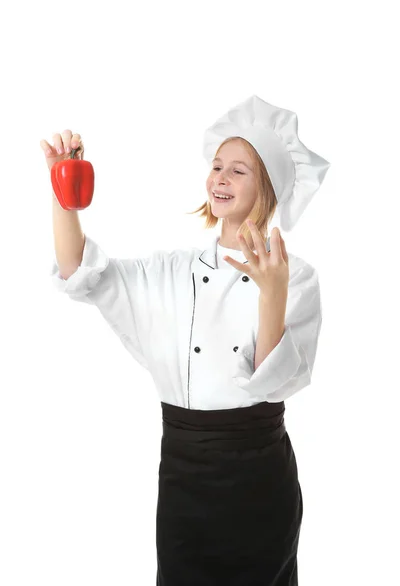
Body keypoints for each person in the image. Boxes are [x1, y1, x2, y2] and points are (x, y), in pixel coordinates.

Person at [42, 94, 330, 585]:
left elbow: (272, 380)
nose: (220, 177)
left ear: (270, 186)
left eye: (239, 170)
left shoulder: (296, 278)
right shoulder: (170, 272)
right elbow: (80, 272)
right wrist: (62, 194)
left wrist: (272, 293)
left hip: (259, 474)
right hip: (183, 471)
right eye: (218, 165)